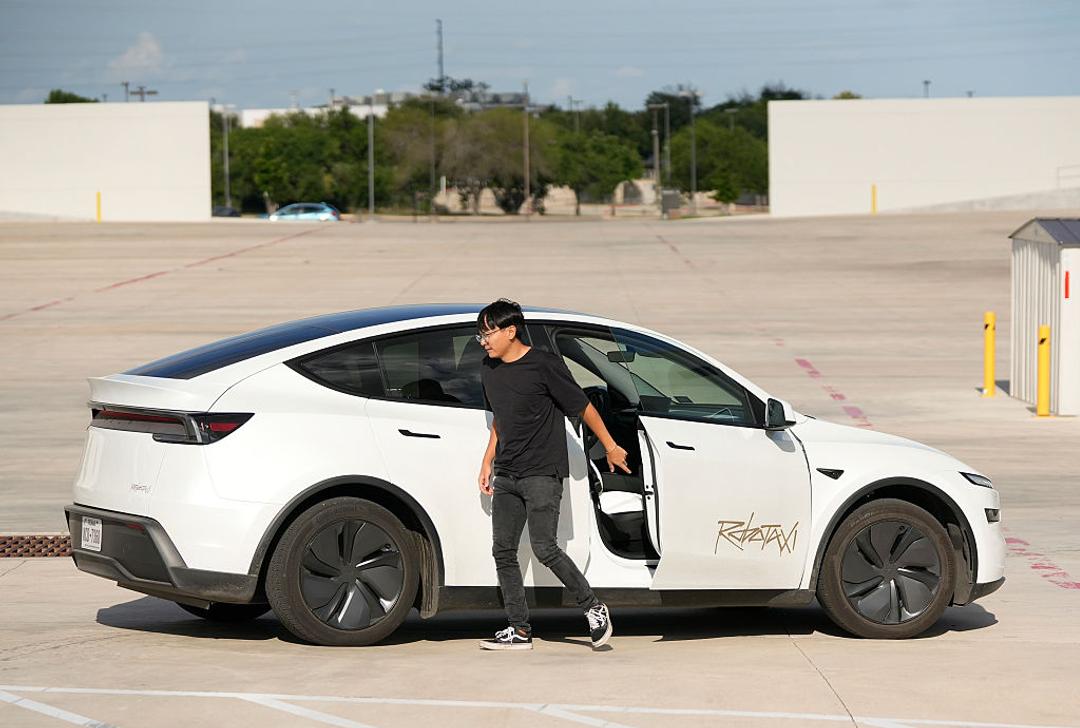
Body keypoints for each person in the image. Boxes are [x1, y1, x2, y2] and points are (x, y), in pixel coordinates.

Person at [475, 298, 631, 651]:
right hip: (507, 472)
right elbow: (500, 418)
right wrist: (487, 461)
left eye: (488, 333)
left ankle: (593, 606)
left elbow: (582, 406)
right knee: (503, 551)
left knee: (545, 547)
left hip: (542, 473)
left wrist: (610, 445)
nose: (483, 341)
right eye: (480, 335)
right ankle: (519, 630)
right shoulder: (489, 369)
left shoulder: (544, 365)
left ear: (510, 331)